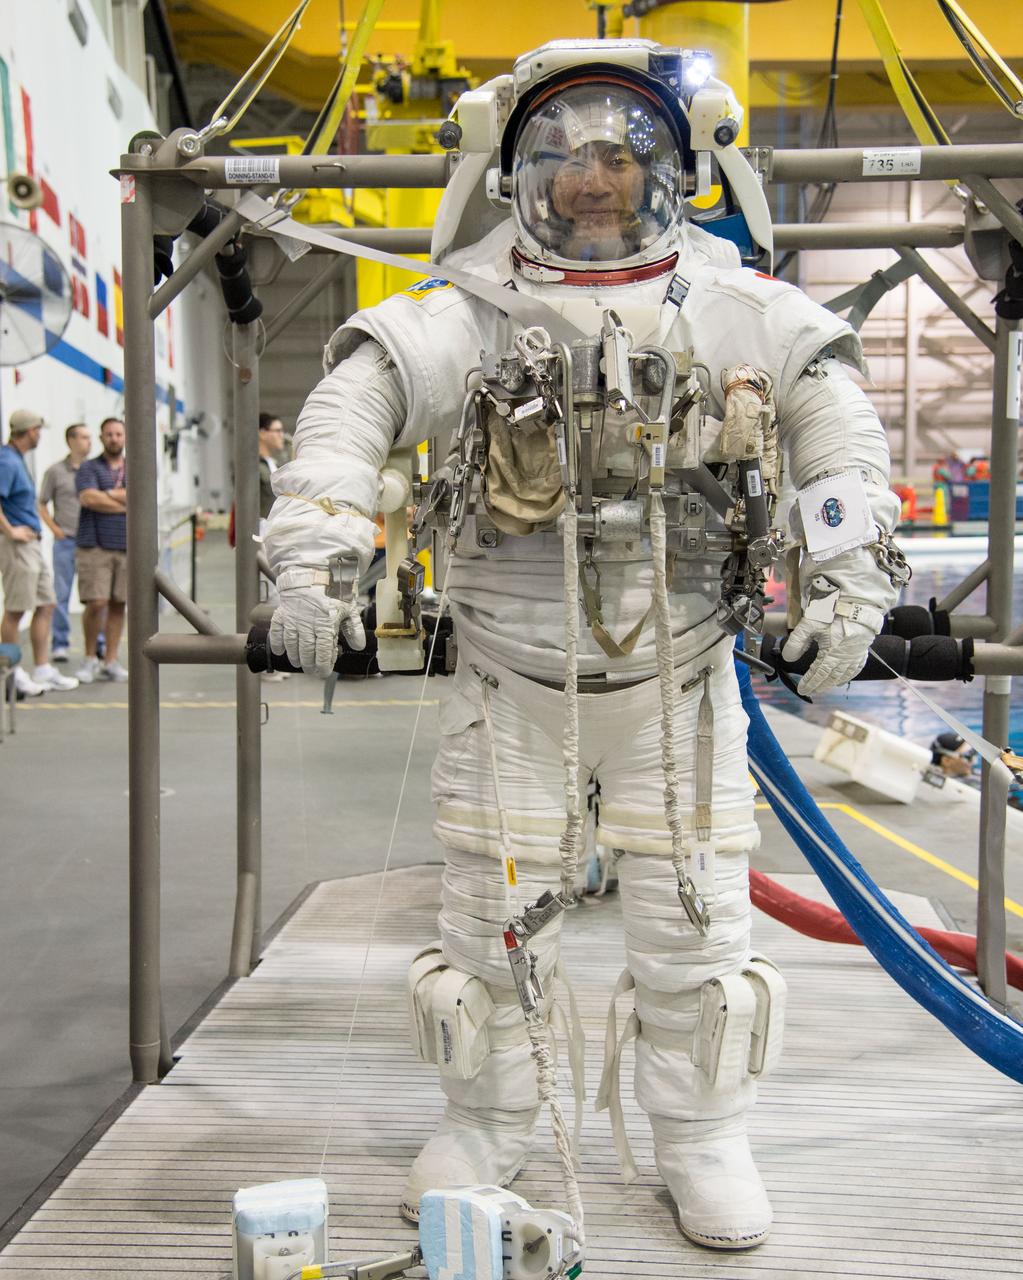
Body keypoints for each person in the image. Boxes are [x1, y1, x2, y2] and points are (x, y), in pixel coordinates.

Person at [263, 41, 904, 1252]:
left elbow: (837, 439)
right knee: (486, 926)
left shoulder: (739, 309)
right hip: (511, 679)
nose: (593, 178)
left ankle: (702, 1135)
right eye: (563, 154)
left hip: (681, 686)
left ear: (672, 166)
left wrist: (851, 580)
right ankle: (486, 1124)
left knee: (695, 924)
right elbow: (354, 409)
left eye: (620, 153)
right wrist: (315, 553)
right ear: (520, 173)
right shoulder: (467, 308)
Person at [0, 409, 78, 694]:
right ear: (29, 430)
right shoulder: (6, 461)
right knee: (15, 609)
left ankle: (43, 668)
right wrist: (10, 531)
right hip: (18, 546)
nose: (40, 435)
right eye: (37, 430)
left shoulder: (17, 460)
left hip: (31, 544)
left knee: (46, 604)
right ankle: (12, 673)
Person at [75, 417, 128, 683]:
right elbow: (88, 498)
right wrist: (122, 500)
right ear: (101, 437)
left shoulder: (134, 467)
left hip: (126, 545)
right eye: (109, 434)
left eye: (118, 434)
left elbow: (141, 499)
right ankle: (89, 658)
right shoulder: (89, 467)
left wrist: (107, 495)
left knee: (119, 603)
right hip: (94, 546)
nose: (114, 438)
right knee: (96, 603)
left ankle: (111, 659)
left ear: (125, 437)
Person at [38, 422, 92, 662]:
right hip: (66, 541)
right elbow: (41, 503)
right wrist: (55, 529)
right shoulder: (55, 472)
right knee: (61, 594)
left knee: (94, 596)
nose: (88, 442)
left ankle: (97, 644)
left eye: (90, 438)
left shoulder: (94, 470)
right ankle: (60, 643)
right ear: (70, 440)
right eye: (83, 438)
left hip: (92, 543)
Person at [258, 413, 285, 524]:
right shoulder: (253, 467)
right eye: (278, 431)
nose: (282, 435)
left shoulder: (275, 464)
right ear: (263, 433)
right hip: (261, 529)